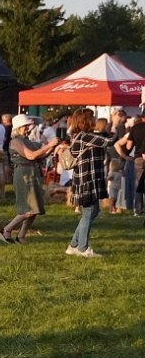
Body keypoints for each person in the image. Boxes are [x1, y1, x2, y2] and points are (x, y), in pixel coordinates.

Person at [65, 107, 128, 257]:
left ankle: (74, 245)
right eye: (91, 118)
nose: (94, 120)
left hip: (90, 178)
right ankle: (82, 248)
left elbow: (103, 136)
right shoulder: (84, 137)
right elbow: (109, 141)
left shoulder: (82, 136)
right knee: (88, 213)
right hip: (87, 179)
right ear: (86, 121)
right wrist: (117, 124)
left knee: (93, 212)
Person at [0, 114, 61, 244]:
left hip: (32, 172)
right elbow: (31, 155)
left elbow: (41, 155)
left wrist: (54, 146)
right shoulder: (15, 141)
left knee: (35, 209)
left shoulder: (27, 140)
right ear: (18, 127)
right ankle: (6, 230)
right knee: (28, 209)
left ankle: (21, 236)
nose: (27, 128)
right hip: (23, 175)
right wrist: (49, 145)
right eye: (25, 126)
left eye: (27, 126)